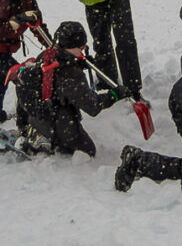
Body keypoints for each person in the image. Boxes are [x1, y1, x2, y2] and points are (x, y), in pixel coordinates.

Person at [20, 21, 129, 157]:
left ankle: (37, 130)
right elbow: (93, 106)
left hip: (36, 113)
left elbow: (57, 76)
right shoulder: (72, 75)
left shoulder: (48, 54)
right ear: (71, 46)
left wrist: (76, 62)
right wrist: (115, 95)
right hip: (56, 121)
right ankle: (48, 140)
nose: (83, 48)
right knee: (88, 151)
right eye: (81, 46)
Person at [0, 0, 51, 124]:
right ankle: (26, 122)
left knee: (3, 82)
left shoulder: (29, 3)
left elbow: (39, 27)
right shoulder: (2, 2)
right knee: (21, 79)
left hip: (6, 52)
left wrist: (52, 47)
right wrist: (16, 21)